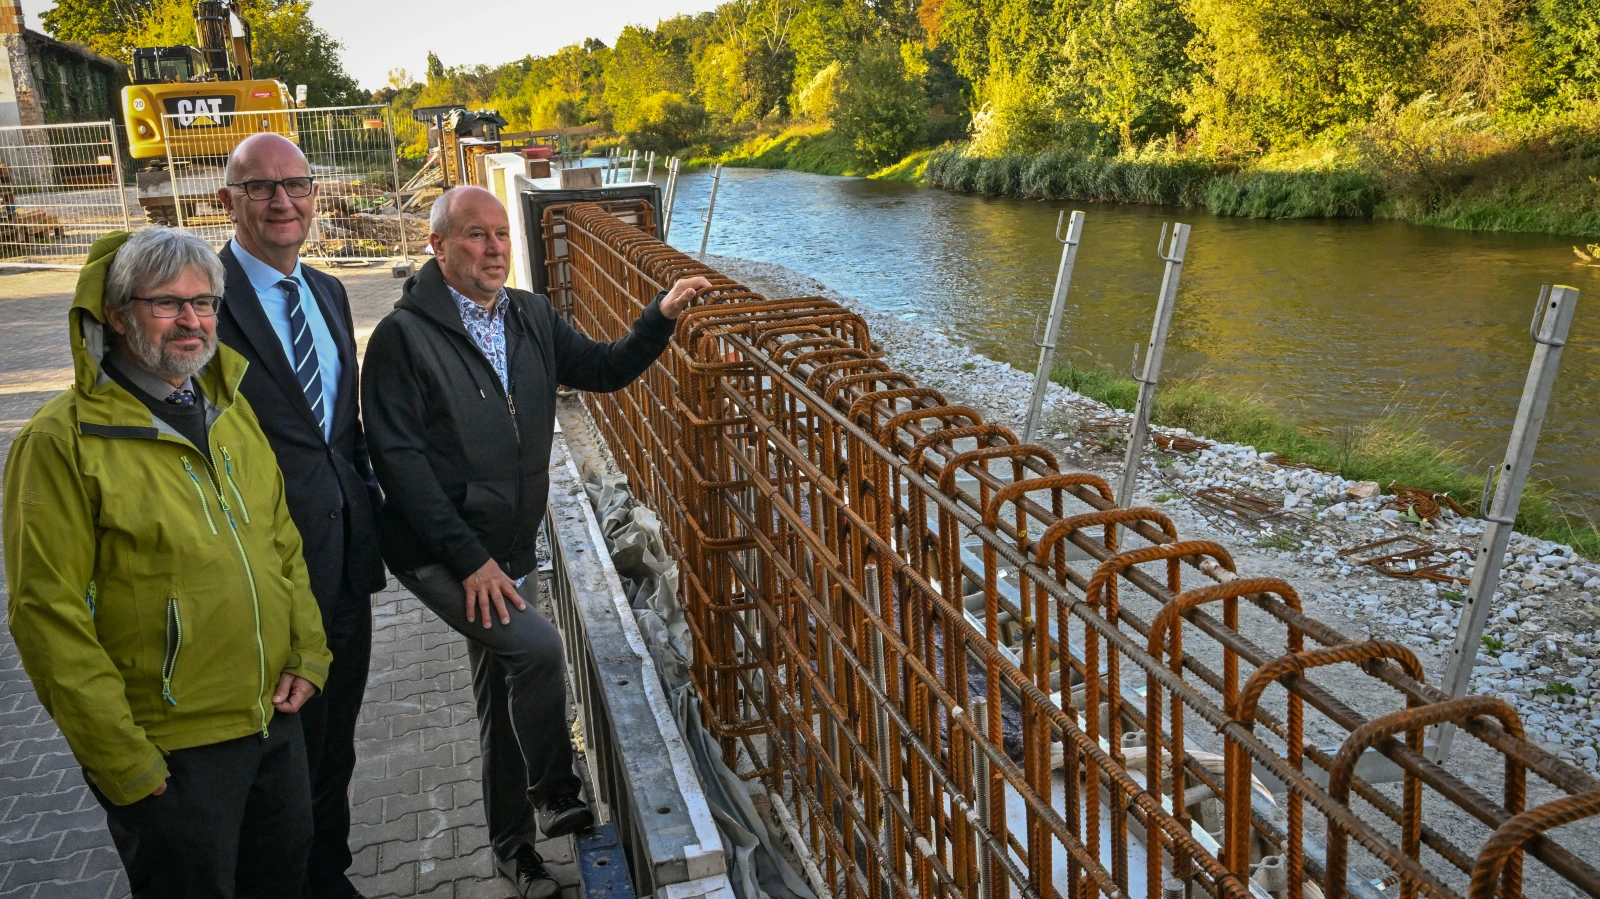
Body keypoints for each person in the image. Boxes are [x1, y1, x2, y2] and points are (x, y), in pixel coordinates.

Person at [361, 186, 708, 898]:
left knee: (502, 687)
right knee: (538, 648)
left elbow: (604, 369)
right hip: (439, 549)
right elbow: (400, 465)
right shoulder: (403, 338)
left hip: (507, 542)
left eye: (500, 236)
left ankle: (511, 847)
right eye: (474, 236)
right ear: (439, 246)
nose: (493, 249)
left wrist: (660, 316)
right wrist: (470, 562)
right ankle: (555, 792)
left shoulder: (529, 316)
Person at [2, 227, 331, 898]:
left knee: (285, 878)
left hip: (273, 719)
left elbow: (280, 542)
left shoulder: (227, 410)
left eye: (205, 302)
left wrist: (308, 651)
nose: (193, 320)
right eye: (168, 304)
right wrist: (123, 761)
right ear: (118, 314)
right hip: (172, 752)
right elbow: (47, 617)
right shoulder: (60, 443)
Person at [213, 132, 385, 899]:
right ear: (228, 201)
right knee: (281, 756)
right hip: (265, 575)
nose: (282, 201)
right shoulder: (203, 301)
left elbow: (336, 436)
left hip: (343, 562)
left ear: (316, 194)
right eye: (260, 188)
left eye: (296, 184)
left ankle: (330, 875)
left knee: (336, 743)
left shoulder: (329, 290)